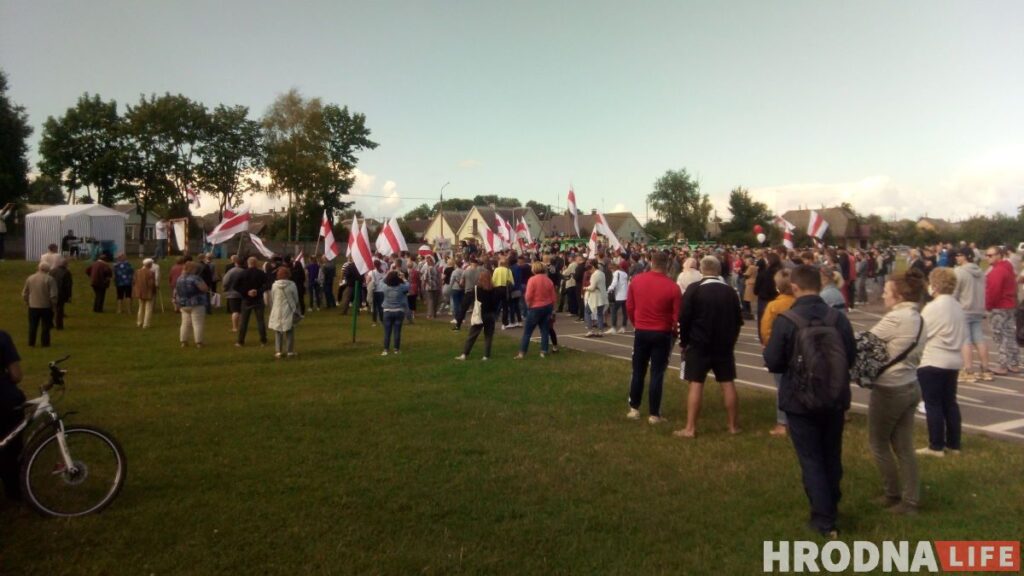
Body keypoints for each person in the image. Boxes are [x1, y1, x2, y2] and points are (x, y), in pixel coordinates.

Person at [763, 265, 856, 538]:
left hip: (799, 399)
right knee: (831, 454)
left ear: (794, 287)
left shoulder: (787, 319)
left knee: (811, 458)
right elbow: (849, 355)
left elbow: (773, 361)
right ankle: (831, 504)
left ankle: (824, 518)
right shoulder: (836, 318)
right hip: (834, 395)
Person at [868, 272, 927, 515]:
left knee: (878, 443)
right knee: (904, 446)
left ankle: (892, 493)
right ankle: (911, 500)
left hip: (890, 387)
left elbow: (865, 341)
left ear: (899, 295)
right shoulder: (918, 317)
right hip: (911, 384)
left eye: (887, 290)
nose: (883, 294)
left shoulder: (896, 318)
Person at [675, 256, 744, 437]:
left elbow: (684, 318)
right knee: (727, 383)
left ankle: (690, 428)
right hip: (723, 345)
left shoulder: (694, 290)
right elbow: (738, 320)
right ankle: (733, 426)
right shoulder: (730, 292)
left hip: (699, 344)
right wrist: (731, 340)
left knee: (696, 384)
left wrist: (684, 342)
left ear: (702, 270)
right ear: (718, 270)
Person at [625, 252, 681, 424]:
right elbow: (677, 315)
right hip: (661, 332)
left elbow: (630, 306)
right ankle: (654, 414)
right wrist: (673, 332)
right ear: (668, 265)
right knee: (657, 373)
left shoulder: (637, 281)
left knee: (638, 370)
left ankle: (634, 408)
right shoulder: (672, 287)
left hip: (642, 330)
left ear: (651, 262)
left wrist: (636, 323)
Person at [917, 267, 966, 457]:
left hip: (933, 359)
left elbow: (921, 331)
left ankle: (936, 445)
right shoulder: (957, 306)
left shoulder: (933, 307)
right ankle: (954, 444)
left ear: (935, 285)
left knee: (933, 404)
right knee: (950, 403)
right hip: (953, 360)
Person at [760, 269, 795, 437]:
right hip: (800, 350)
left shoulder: (774, 306)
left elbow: (765, 330)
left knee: (782, 387)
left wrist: (768, 347)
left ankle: (782, 423)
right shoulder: (799, 302)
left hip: (780, 350)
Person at [953, 248, 990, 382]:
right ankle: (985, 369)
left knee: (966, 341)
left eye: (959, 255)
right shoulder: (980, 272)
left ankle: (968, 370)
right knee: (979, 339)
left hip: (965, 309)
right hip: (978, 308)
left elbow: (955, 292)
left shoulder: (959, 272)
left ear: (966, 256)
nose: (957, 257)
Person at [984, 246, 1021, 375]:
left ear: (999, 255)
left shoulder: (997, 271)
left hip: (999, 307)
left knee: (1000, 336)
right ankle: (1014, 363)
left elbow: (993, 291)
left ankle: (1003, 364)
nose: (988, 258)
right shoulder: (1008, 268)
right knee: (1010, 335)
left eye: (991, 255)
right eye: (987, 255)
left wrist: (988, 306)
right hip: (1010, 305)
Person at [0, 330, 25, 500]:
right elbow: (16, 375)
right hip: (5, 400)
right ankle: (14, 492)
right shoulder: (2, 337)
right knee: (11, 449)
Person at [516, 261, 556, 359]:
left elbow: (528, 295)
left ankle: (522, 353)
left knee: (527, 332)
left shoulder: (532, 280)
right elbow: (553, 297)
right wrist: (552, 308)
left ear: (534, 269)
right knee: (544, 331)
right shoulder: (548, 280)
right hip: (547, 306)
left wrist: (528, 305)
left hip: (535, 307)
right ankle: (544, 351)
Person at [456, 269, 498, 361]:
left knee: (472, 335)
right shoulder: (493, 289)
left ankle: (464, 354)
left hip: (479, 314)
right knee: (488, 336)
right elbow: (496, 303)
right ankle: (486, 356)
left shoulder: (476, 289)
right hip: (490, 314)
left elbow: (467, 302)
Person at [175, 261, 209, 348]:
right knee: (197, 323)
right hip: (196, 303)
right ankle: (199, 342)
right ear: (193, 269)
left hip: (183, 303)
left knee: (185, 323)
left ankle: (183, 341)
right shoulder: (195, 278)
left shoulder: (179, 278)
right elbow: (204, 288)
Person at [23, 262, 58, 347]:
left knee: (33, 326)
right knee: (45, 326)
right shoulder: (50, 279)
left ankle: (31, 343)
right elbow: (53, 295)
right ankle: (45, 343)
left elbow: (25, 293)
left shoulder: (30, 278)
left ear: (38, 268)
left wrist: (27, 301)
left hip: (33, 306)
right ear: (48, 270)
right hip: (46, 306)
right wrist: (54, 305)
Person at [268, 266, 301, 359]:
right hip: (289, 309)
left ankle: (278, 351)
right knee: (289, 330)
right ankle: (289, 351)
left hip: (277, 309)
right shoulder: (292, 285)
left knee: (278, 331)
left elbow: (273, 297)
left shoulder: (274, 285)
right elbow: (296, 298)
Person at [236, 256, 268, 347]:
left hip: (246, 299)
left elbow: (236, 286)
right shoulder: (261, 273)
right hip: (258, 299)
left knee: (244, 322)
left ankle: (240, 341)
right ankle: (263, 340)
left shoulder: (243, 273)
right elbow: (267, 285)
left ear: (248, 263)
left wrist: (246, 292)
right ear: (256, 263)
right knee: (260, 321)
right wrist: (258, 291)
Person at [381, 270, 409, 356]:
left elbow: (381, 281)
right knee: (397, 331)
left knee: (387, 332)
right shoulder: (400, 287)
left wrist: (388, 273)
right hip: (399, 310)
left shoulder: (385, 287)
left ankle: (386, 350)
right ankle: (396, 349)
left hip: (387, 311)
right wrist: (403, 278)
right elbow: (408, 286)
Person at [583, 259, 608, 337]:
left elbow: (592, 287)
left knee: (587, 312)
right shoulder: (602, 273)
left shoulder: (594, 275)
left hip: (595, 297)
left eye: (590, 268)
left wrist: (585, 288)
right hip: (602, 295)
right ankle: (601, 331)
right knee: (600, 314)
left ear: (593, 266)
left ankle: (590, 330)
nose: (589, 270)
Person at [132, 258, 158, 328]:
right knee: (148, 308)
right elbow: (151, 284)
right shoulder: (151, 273)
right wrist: (154, 291)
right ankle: (146, 324)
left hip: (140, 292)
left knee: (140, 308)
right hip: (148, 293)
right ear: (149, 265)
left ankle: (139, 322)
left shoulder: (137, 271)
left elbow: (134, 281)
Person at [221, 257, 245, 333]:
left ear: (235, 263)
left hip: (232, 293)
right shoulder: (244, 271)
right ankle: (242, 326)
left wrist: (225, 288)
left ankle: (235, 327)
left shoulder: (231, 271)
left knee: (235, 311)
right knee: (241, 311)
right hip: (242, 293)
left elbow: (225, 281)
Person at [49, 257, 73, 330]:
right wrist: (69, 295)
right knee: (59, 310)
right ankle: (59, 325)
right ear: (66, 264)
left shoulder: (52, 271)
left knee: (51, 309)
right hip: (61, 293)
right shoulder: (67, 272)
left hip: (51, 292)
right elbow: (68, 285)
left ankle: (50, 324)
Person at [606, 260, 630, 334]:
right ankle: (624, 327)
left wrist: (608, 290)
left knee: (613, 311)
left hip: (618, 296)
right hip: (625, 295)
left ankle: (613, 327)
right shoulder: (624, 273)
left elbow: (614, 283)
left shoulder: (616, 273)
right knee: (625, 312)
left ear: (612, 268)